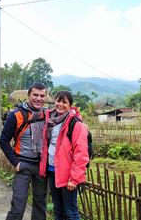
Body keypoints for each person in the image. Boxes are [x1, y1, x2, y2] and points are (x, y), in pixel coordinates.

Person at [0, 82, 47, 220]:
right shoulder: (16, 115)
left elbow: (67, 116)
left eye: (42, 96)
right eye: (35, 95)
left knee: (40, 206)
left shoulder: (47, 116)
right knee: (18, 207)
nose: (39, 98)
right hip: (23, 165)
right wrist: (16, 162)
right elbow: (3, 141)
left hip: (41, 167)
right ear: (28, 95)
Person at [39, 91, 89, 220]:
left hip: (68, 175)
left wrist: (74, 178)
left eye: (64, 102)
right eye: (58, 101)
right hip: (52, 171)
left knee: (71, 211)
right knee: (58, 210)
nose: (60, 104)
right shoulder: (50, 120)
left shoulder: (75, 124)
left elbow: (81, 153)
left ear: (70, 105)